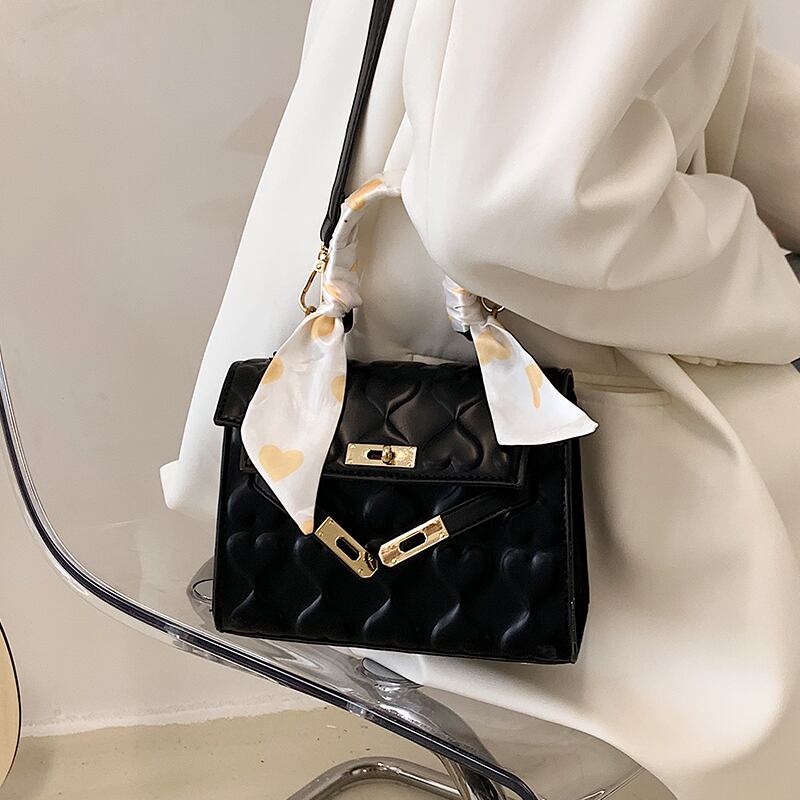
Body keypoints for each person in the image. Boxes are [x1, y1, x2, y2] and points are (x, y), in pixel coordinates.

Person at [161, 2, 800, 797]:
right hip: (589, 436)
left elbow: (681, 53)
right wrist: (775, 289)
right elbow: (508, 204)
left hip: (353, 376)